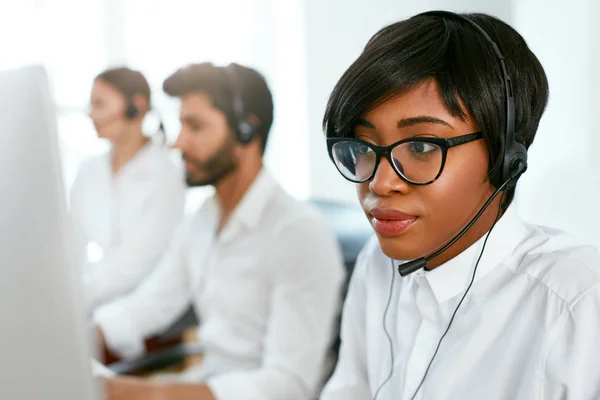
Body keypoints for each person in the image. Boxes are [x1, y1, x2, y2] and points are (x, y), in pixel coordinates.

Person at [320, 11, 600, 400]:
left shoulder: (578, 304)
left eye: (421, 146)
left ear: (505, 158)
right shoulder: (378, 265)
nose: (380, 182)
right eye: (364, 147)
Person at [96, 62, 346, 400]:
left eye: (195, 127)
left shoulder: (299, 234)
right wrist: (77, 338)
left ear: (246, 130)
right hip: (207, 382)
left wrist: (148, 394)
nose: (178, 143)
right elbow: (151, 303)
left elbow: (290, 384)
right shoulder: (201, 220)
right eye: (180, 125)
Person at [70, 67, 186, 314]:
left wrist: (75, 296)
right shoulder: (88, 171)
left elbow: (137, 263)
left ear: (137, 106)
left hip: (142, 308)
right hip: (91, 300)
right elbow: (72, 243)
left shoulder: (166, 174)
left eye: (100, 104)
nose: (91, 114)